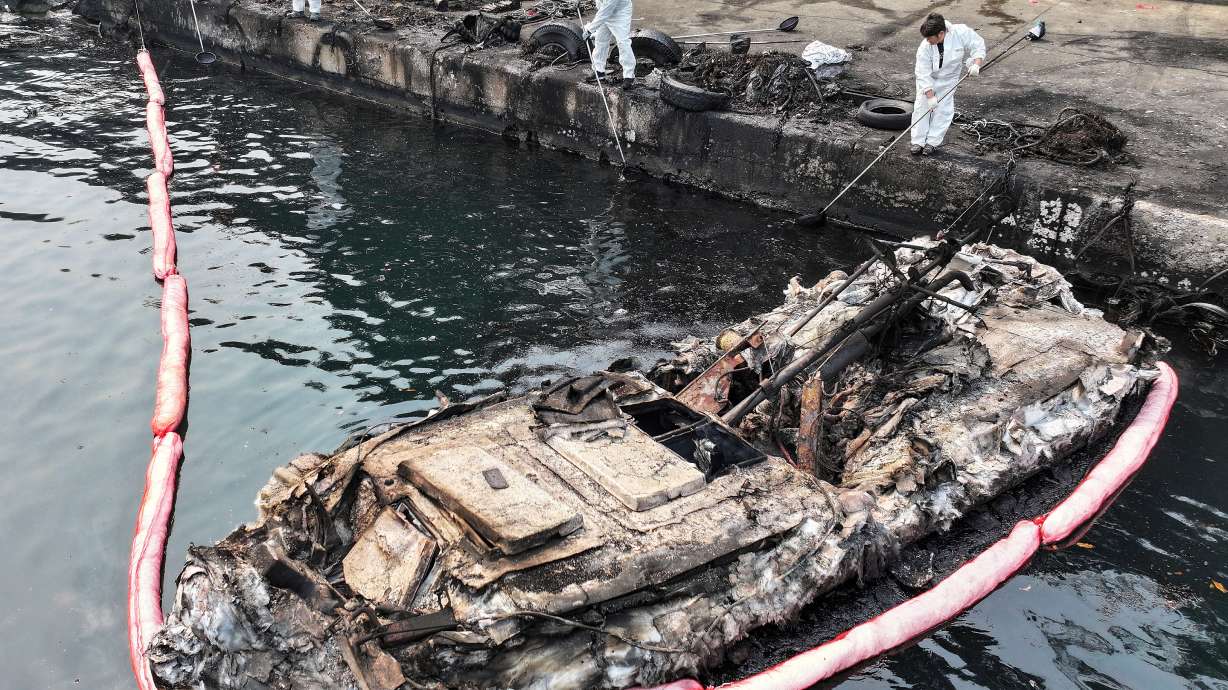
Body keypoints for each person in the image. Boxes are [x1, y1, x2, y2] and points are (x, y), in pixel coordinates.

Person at [911, 13, 985, 155]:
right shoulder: (924, 47)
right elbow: (922, 73)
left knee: (943, 109)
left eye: (929, 38)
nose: (927, 41)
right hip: (930, 77)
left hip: (949, 78)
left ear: (940, 34)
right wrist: (930, 95)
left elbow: (978, 45)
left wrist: (976, 64)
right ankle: (917, 141)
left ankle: (932, 142)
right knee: (922, 106)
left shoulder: (961, 32)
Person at [583, 0, 636, 87]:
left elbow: (605, 12)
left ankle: (629, 76)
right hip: (603, 10)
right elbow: (604, 12)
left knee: (623, 42)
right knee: (600, 40)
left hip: (620, 13)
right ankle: (599, 71)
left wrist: (590, 30)